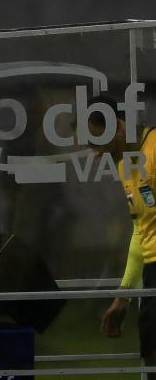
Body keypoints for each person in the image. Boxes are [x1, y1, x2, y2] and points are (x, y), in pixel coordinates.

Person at [83, 96, 156, 378]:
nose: (97, 155)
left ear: (119, 128)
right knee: (149, 354)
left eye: (99, 144)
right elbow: (142, 229)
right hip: (152, 269)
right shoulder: (125, 164)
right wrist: (123, 297)